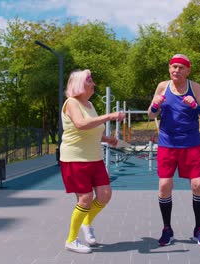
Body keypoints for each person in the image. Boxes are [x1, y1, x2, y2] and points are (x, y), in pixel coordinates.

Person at [148, 54, 200, 247]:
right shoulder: (163, 86)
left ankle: (199, 229)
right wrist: (155, 105)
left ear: (188, 70)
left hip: (191, 143)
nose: (176, 70)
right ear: (169, 68)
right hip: (167, 143)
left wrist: (197, 107)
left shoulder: (195, 88)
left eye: (180, 68)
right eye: (173, 67)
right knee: (164, 186)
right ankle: (167, 229)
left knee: (198, 185)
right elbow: (150, 113)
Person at [60, 69, 125, 253]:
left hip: (94, 158)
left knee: (105, 195)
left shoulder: (89, 104)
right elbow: (81, 124)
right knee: (85, 199)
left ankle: (86, 222)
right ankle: (71, 240)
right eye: (90, 80)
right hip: (75, 158)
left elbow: (91, 130)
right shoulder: (71, 103)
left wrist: (107, 139)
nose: (93, 84)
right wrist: (109, 116)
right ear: (79, 84)